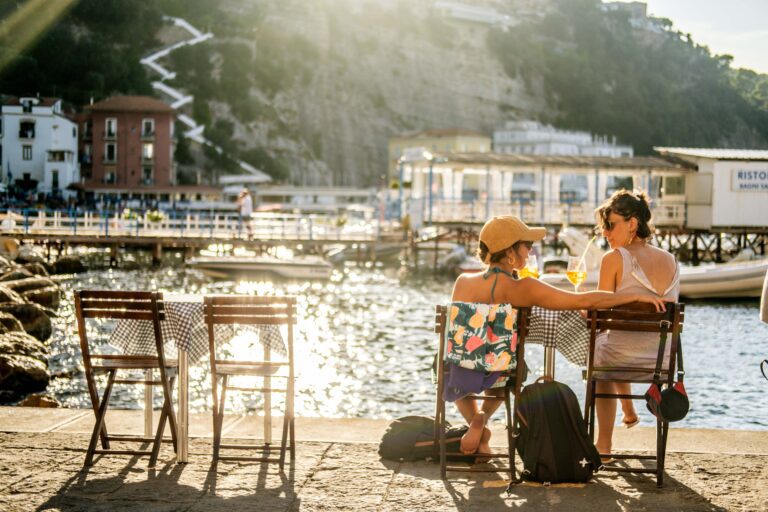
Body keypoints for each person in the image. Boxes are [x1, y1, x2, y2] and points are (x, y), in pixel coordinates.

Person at [450, 215, 668, 457]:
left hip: (459, 371)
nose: (531, 249)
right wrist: (632, 296)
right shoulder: (525, 288)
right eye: (526, 245)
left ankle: (476, 421)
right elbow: (584, 300)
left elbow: (461, 337)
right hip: (501, 370)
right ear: (510, 252)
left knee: (457, 363)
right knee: (511, 367)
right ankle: (483, 419)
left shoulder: (462, 282)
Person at [592, 190, 680, 459]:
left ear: (632, 223)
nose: (606, 234)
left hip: (619, 357)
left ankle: (603, 444)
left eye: (610, 225)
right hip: (660, 361)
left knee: (601, 355)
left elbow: (600, 313)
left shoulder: (613, 259)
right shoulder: (671, 260)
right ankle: (628, 411)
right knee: (612, 343)